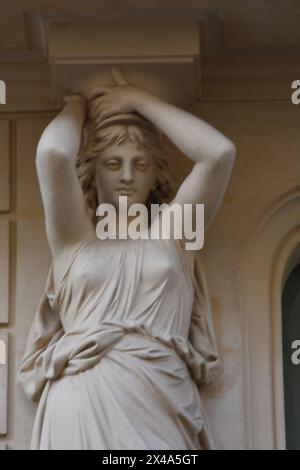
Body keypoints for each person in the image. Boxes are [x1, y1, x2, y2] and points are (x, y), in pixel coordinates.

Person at [18, 68, 236, 450]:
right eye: (113, 163)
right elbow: (52, 154)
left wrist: (137, 99)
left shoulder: (176, 237)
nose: (126, 176)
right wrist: (78, 104)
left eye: (140, 164)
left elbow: (218, 154)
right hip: (82, 395)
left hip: (160, 395)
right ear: (93, 170)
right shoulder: (73, 240)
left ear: (155, 173)